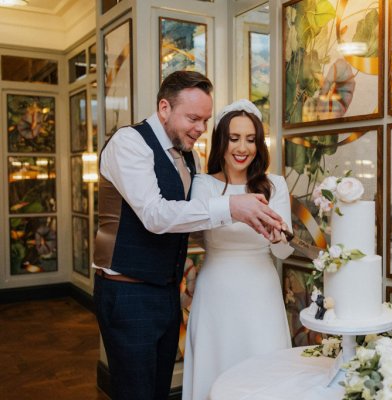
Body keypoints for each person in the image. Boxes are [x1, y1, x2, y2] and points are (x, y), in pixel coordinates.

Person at [93, 72, 283, 400]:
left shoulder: (188, 156)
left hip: (167, 292)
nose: (199, 129)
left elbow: (189, 224)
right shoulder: (129, 143)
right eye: (193, 118)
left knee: (157, 390)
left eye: (205, 120)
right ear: (164, 108)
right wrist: (232, 208)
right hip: (128, 292)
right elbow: (155, 215)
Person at [182, 100, 293, 400]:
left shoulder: (274, 185)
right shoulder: (202, 184)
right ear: (221, 141)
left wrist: (276, 238)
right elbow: (192, 225)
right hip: (216, 292)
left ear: (259, 144)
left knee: (265, 371)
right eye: (233, 138)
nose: (242, 147)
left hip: (262, 292)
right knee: (217, 366)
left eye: (250, 139)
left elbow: (283, 253)